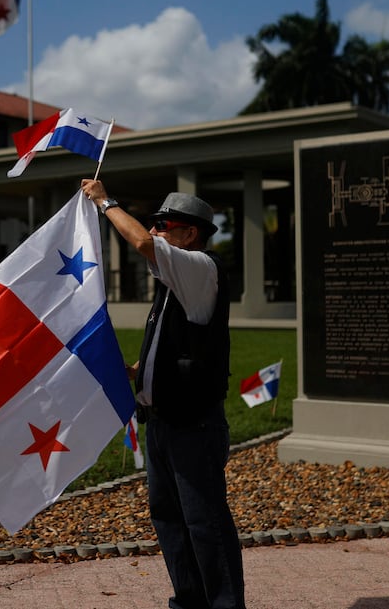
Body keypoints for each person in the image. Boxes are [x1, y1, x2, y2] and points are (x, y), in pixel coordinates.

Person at [81, 179, 246, 609]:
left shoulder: (199, 266)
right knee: (171, 522)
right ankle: (189, 603)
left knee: (204, 523)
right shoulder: (175, 281)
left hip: (193, 423)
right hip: (162, 422)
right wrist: (138, 371)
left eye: (163, 224)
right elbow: (176, 348)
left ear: (190, 234)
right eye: (153, 224)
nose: (153, 231)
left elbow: (138, 242)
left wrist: (105, 201)